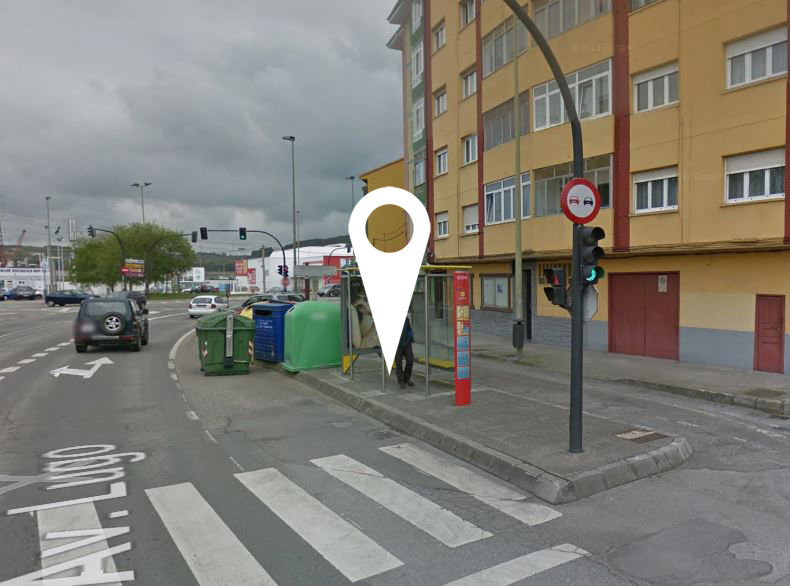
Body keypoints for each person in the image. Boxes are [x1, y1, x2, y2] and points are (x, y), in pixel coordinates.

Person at [396, 316, 415, 389]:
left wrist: (411, 337)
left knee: (410, 361)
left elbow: (409, 329)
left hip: (407, 343)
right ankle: (401, 381)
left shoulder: (406, 319)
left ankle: (406, 379)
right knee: (399, 363)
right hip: (398, 345)